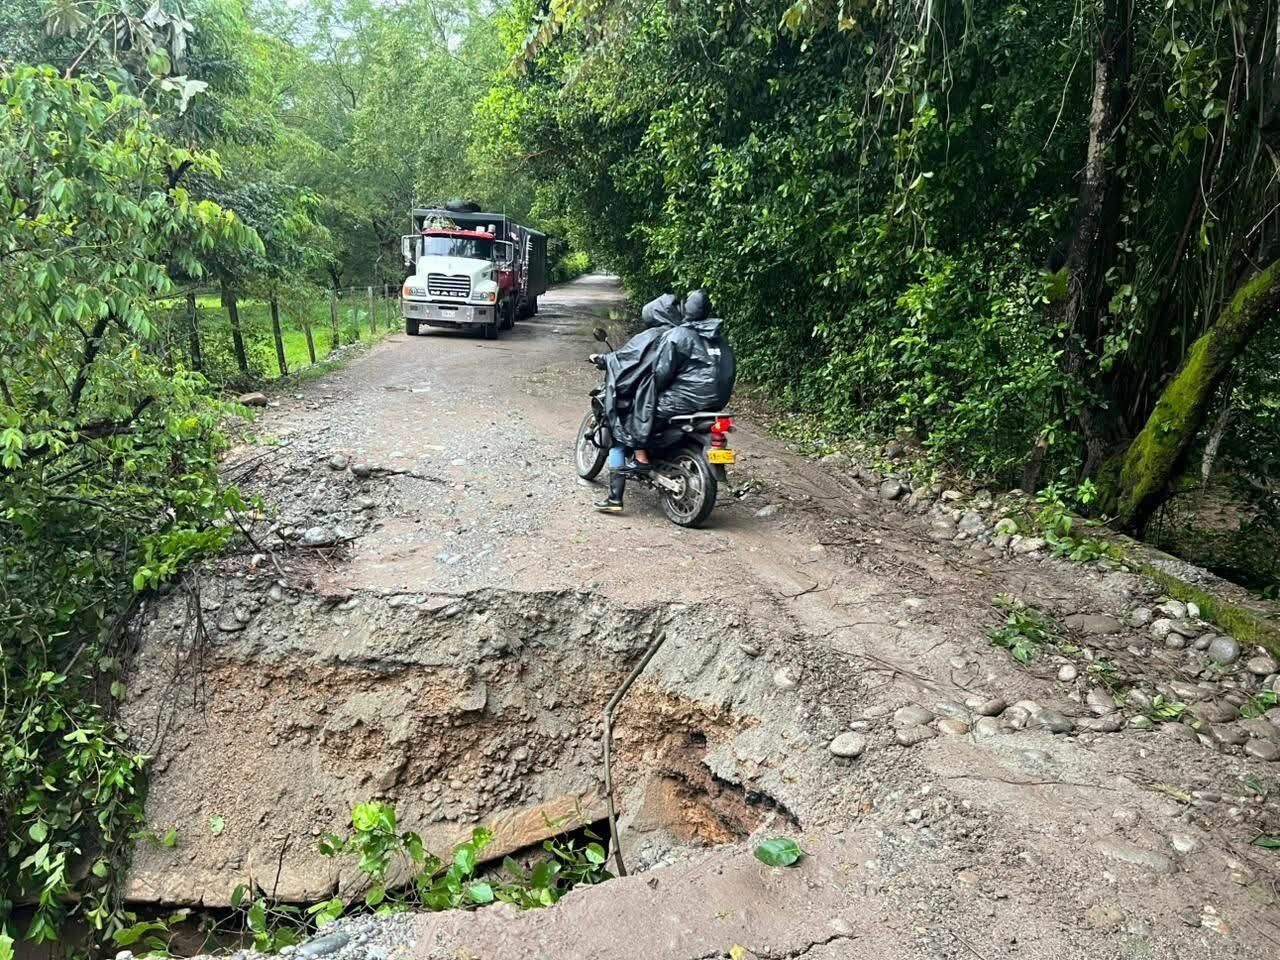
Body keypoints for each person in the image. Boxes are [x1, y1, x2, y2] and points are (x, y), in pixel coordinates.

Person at [593, 289, 734, 513]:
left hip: (684, 400)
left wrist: (646, 389)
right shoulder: (718, 337)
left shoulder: (678, 335)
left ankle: (639, 460)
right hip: (715, 402)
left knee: (636, 413)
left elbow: (661, 374)